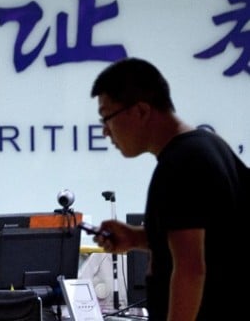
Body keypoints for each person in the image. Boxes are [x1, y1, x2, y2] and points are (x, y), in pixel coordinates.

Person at [89, 57, 247, 321]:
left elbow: (190, 269)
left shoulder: (180, 164)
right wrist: (136, 238)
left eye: (107, 117)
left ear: (141, 110)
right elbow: (214, 242)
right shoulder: (209, 147)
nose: (105, 131)